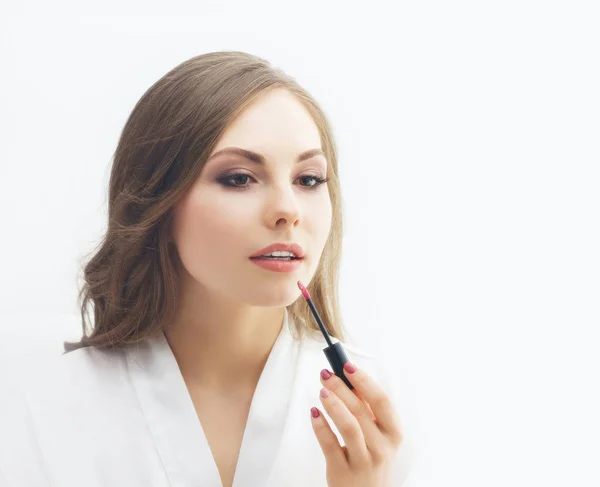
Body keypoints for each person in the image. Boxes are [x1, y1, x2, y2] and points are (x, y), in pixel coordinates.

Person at [0, 51, 415, 486]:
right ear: (159, 204)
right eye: (239, 178)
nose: (288, 211)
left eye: (308, 180)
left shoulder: (384, 409)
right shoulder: (42, 408)